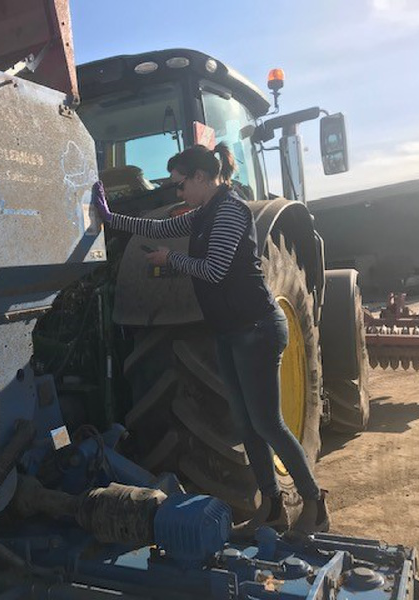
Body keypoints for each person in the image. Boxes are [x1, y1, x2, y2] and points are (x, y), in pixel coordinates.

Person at [91, 143, 330, 536]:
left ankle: (315, 504)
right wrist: (111, 217)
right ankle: (271, 507)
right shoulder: (204, 213)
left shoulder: (232, 212)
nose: (178, 193)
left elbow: (215, 269)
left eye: (181, 185)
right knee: (245, 424)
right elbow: (160, 227)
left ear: (202, 178)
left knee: (268, 423)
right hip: (230, 332)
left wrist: (170, 261)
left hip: (256, 329)